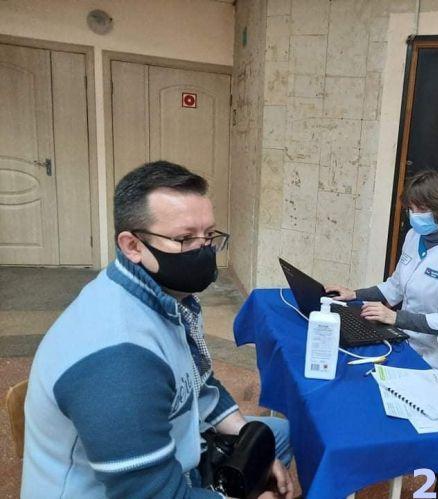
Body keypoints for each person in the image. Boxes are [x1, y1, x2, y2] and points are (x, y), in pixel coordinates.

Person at [21, 161, 294, 499]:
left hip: (180, 450)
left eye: (209, 235)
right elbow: (151, 495)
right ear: (132, 245)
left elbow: (198, 382)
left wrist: (247, 440)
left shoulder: (166, 297)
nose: (203, 249)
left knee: (277, 435)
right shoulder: (119, 360)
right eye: (184, 238)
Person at [327, 169, 438, 385]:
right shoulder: (414, 236)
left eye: (422, 209)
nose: (414, 215)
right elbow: (395, 286)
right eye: (411, 208)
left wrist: (394, 317)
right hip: (406, 339)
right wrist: (354, 294)